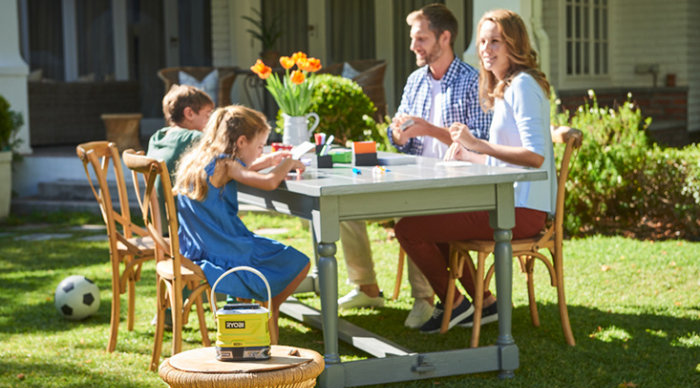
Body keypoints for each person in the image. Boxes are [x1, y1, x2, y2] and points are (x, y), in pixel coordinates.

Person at [394, 8, 556, 334]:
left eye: (496, 41)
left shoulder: (522, 86)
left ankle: (456, 304)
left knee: (410, 230)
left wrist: (477, 145)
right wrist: (471, 156)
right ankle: (483, 303)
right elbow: (507, 161)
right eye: (482, 41)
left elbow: (535, 157)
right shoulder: (507, 86)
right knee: (425, 221)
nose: (486, 49)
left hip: (521, 210)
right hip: (508, 201)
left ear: (515, 44)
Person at [338, 3, 492, 330]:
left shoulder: (472, 81)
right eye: (413, 38)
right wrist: (399, 134)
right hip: (413, 176)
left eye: (420, 38)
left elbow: (481, 140)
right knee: (344, 208)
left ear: (445, 37)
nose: (413, 46)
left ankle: (425, 300)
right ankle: (366, 286)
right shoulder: (415, 81)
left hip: (455, 186)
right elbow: (404, 139)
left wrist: (429, 129)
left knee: (410, 215)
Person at [173, 105, 310, 344]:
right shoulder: (226, 164)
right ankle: (268, 309)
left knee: (272, 254)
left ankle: (258, 308)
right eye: (259, 147)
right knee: (300, 263)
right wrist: (287, 162)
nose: (260, 152)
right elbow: (268, 182)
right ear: (241, 142)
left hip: (197, 249)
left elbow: (240, 169)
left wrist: (268, 159)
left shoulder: (197, 160)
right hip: (228, 249)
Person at [147, 84, 215, 225]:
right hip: (182, 225)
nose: (211, 121)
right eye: (207, 115)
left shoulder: (157, 137)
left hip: (158, 224)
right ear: (189, 113)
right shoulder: (194, 138)